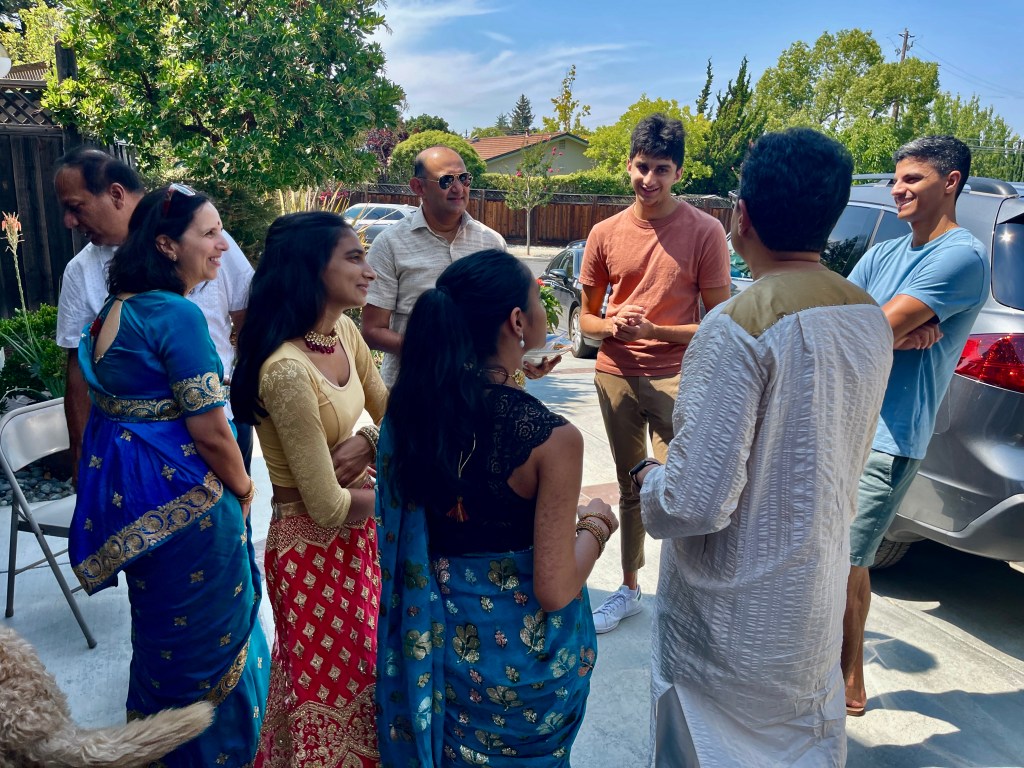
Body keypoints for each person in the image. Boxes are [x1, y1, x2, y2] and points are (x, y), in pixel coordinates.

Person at [632, 128, 893, 766]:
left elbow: (693, 503)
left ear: (741, 216)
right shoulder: (867, 315)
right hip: (813, 602)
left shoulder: (736, 326)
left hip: (729, 626)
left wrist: (647, 479)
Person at [375, 250, 616, 767]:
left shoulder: (411, 413)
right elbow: (555, 588)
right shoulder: (552, 440)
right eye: (538, 299)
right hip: (521, 676)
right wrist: (596, 524)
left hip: (439, 652)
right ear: (517, 322)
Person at [68, 183, 270, 767]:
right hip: (189, 507)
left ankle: (161, 752)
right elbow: (211, 432)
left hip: (139, 509)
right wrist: (245, 488)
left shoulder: (116, 309)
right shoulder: (175, 314)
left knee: (164, 641)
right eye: (209, 233)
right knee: (212, 646)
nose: (223, 245)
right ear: (166, 245)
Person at [230, 212, 387, 767]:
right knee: (327, 703)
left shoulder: (343, 332)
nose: (369, 271)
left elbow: (394, 415)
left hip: (360, 537)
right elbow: (326, 506)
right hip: (310, 555)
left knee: (366, 689)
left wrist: (369, 440)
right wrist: (405, 500)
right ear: (312, 269)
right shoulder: (286, 370)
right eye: (354, 257)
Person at [841, 135, 989, 716]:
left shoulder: (961, 257)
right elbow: (839, 323)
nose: (897, 190)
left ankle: (844, 681)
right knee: (835, 557)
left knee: (847, 560)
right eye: (895, 179)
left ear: (950, 183)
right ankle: (842, 676)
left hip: (891, 436)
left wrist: (883, 331)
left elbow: (866, 328)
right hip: (845, 420)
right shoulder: (884, 254)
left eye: (912, 180)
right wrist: (891, 334)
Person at [578, 114, 731, 633]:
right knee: (631, 489)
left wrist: (656, 331)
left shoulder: (705, 231)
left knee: (681, 491)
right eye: (642, 167)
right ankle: (628, 588)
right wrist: (611, 324)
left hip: (676, 377)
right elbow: (587, 320)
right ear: (629, 166)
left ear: (678, 173)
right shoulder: (604, 233)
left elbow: (718, 325)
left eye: (662, 169)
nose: (650, 179)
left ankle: (686, 594)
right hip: (615, 372)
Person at [54, 147, 255, 475]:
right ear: (166, 247)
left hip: (222, 419)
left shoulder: (200, 240)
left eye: (76, 207)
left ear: (116, 194)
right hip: (153, 445)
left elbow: (247, 316)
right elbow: (78, 366)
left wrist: (241, 387)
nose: (68, 222)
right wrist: (80, 448)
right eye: (210, 233)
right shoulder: (85, 272)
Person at [362, 146, 510, 388]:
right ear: (418, 187)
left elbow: (506, 318)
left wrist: (525, 357)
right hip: (413, 391)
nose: (458, 188)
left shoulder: (491, 242)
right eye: (446, 181)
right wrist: (430, 350)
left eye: (464, 178)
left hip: (479, 390)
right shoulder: (390, 244)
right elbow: (372, 331)